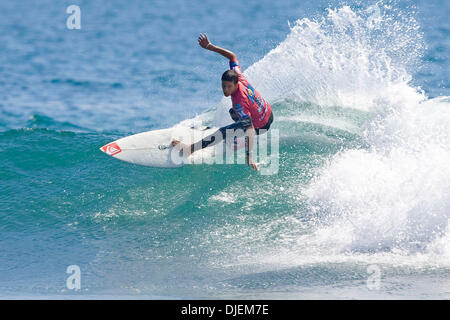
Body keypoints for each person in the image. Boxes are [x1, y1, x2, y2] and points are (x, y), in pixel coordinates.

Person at [171, 34, 274, 171]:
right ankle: (237, 138)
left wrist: (249, 156)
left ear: (236, 84)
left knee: (222, 132)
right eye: (223, 86)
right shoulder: (239, 76)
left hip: (261, 125)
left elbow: (250, 130)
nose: (225, 90)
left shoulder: (239, 102)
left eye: (229, 87)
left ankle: (190, 149)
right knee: (232, 112)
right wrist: (209, 46)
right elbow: (232, 57)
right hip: (268, 112)